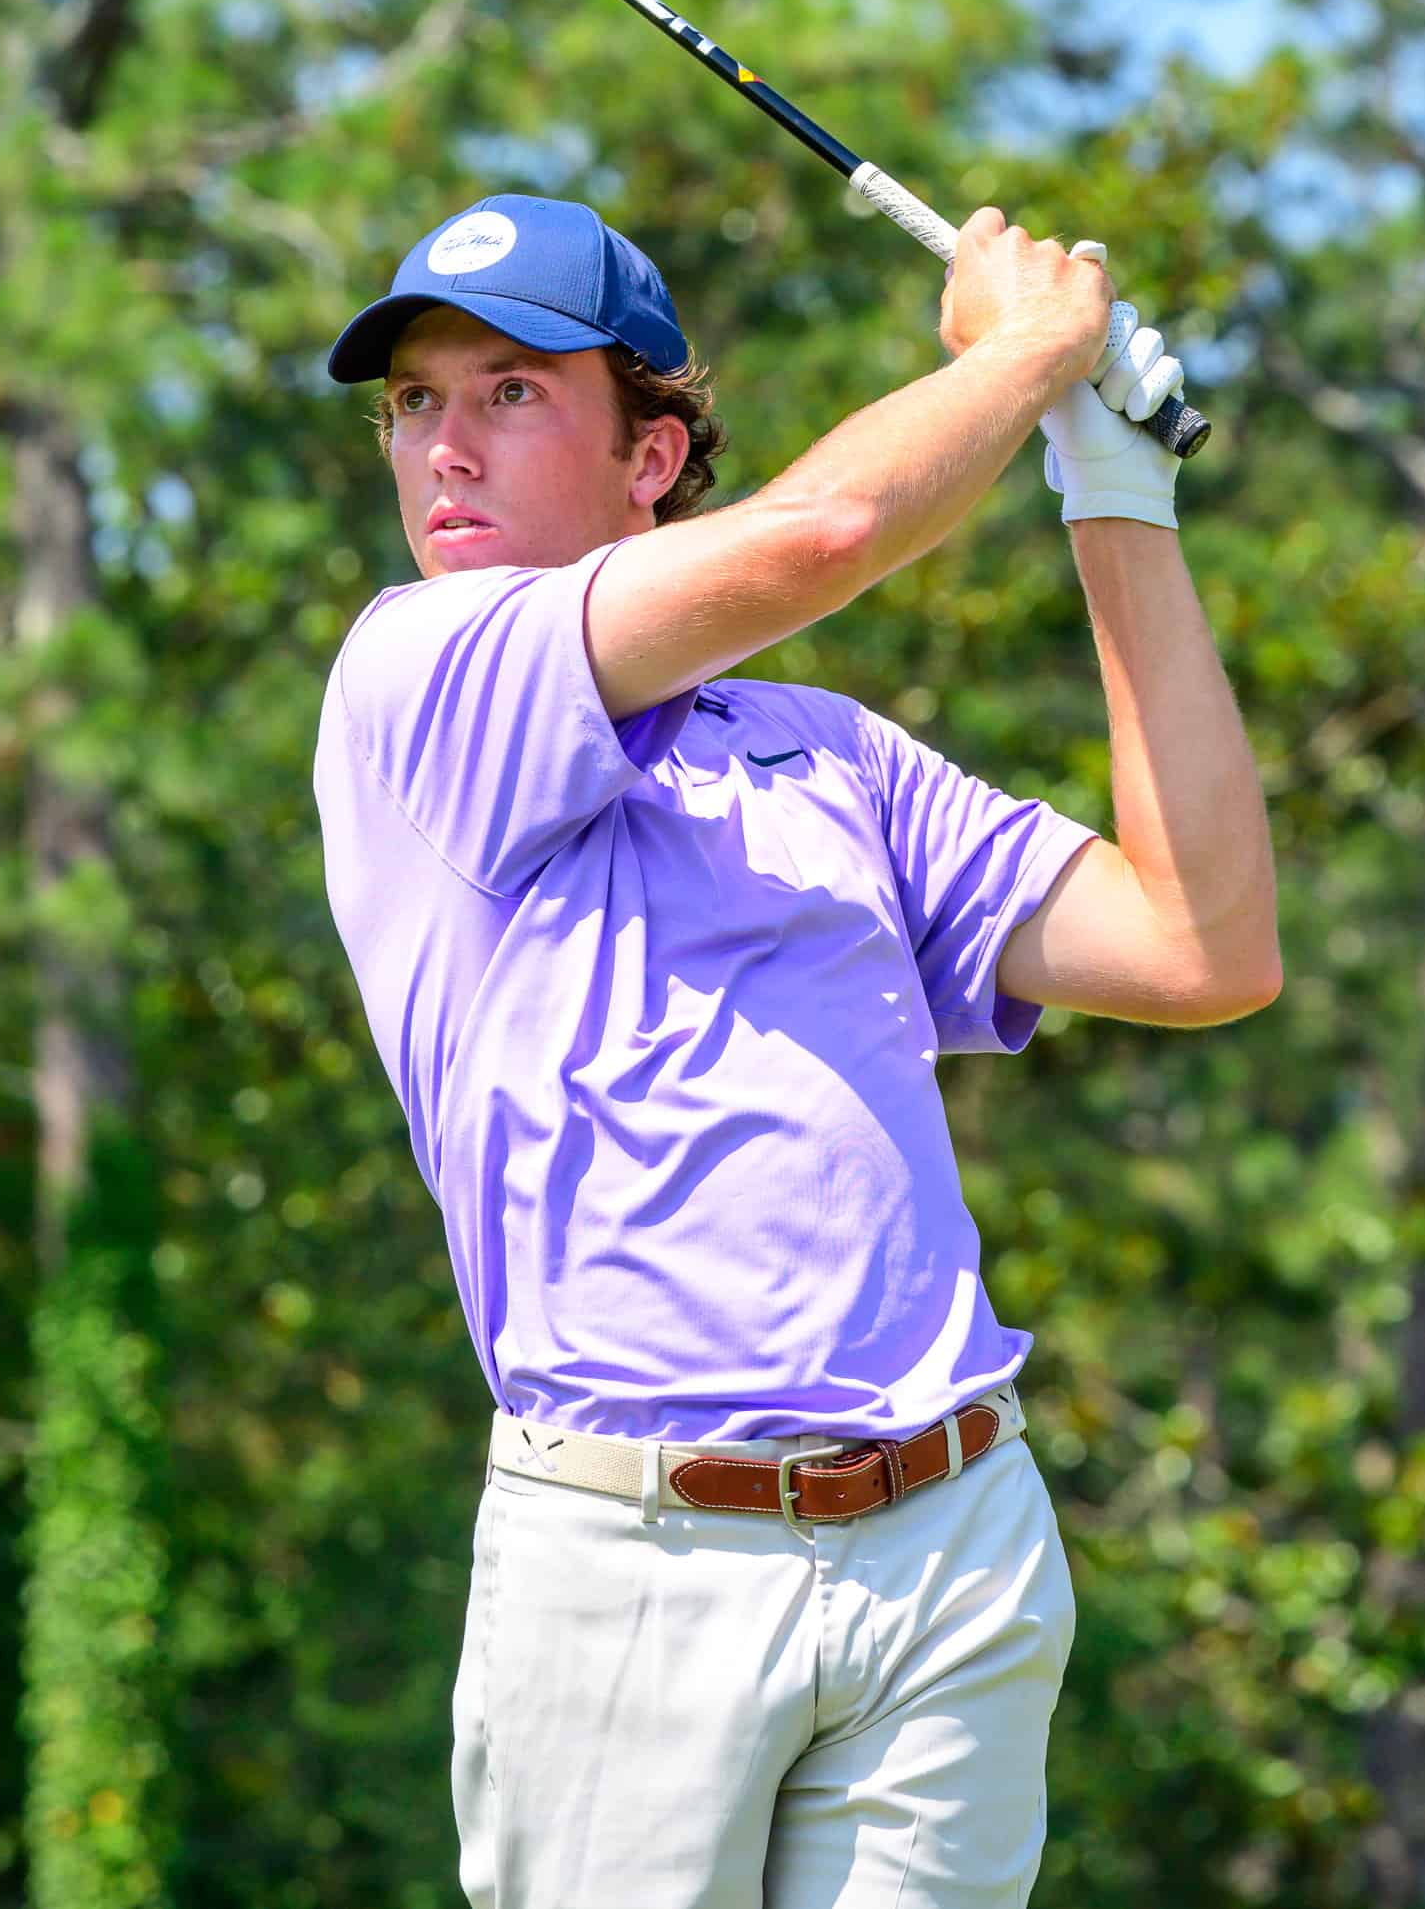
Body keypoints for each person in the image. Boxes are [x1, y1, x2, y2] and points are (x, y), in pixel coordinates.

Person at [312, 190, 1279, 1909]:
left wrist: (1114, 490)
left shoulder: (825, 756)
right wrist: (1034, 345)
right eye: (412, 402)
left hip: (947, 1541)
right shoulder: (417, 677)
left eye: (509, 391)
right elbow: (826, 529)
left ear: (650, 452)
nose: (441, 447)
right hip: (631, 1562)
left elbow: (1199, 942)